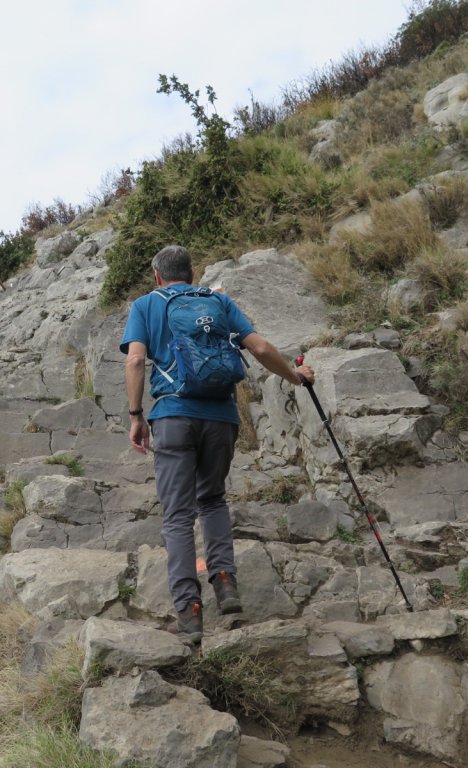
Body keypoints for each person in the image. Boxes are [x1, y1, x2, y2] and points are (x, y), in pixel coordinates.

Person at [120, 244, 314, 645]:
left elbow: (135, 361)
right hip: (222, 418)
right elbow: (259, 348)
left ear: (157, 275)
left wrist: (136, 415)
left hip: (173, 418)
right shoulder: (220, 301)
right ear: (192, 274)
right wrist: (296, 378)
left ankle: (190, 614)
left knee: (177, 515)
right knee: (212, 500)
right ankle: (226, 585)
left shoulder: (145, 305)